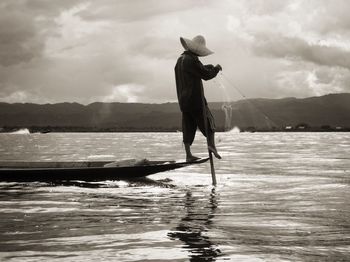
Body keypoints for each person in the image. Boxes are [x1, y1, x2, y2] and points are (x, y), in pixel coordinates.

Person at [175, 35, 222, 162]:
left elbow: (197, 70)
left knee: (188, 126)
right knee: (209, 121)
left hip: (184, 102)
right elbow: (205, 75)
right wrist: (216, 69)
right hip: (196, 100)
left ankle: (188, 155)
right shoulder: (192, 60)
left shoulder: (180, 60)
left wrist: (208, 66)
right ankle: (211, 145)